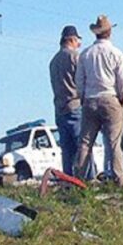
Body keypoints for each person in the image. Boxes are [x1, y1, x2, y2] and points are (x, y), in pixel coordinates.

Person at [74, 15, 123, 186]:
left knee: (85, 142)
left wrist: (83, 96)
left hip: (90, 100)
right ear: (110, 32)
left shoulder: (85, 54)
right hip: (110, 97)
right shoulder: (116, 53)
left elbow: (79, 80)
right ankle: (119, 177)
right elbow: (122, 80)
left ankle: (78, 177)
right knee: (114, 142)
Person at [49, 25, 82, 176]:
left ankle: (67, 181)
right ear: (72, 39)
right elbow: (82, 81)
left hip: (60, 109)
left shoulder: (53, 61)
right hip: (75, 105)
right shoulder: (74, 56)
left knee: (66, 151)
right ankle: (85, 181)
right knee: (82, 146)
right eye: (77, 40)